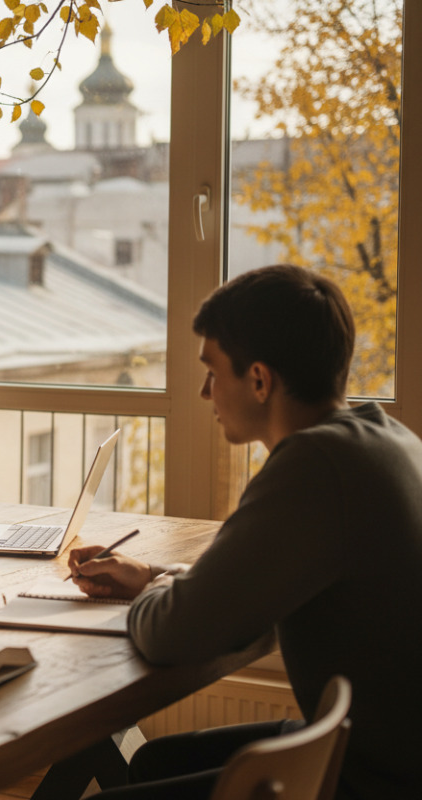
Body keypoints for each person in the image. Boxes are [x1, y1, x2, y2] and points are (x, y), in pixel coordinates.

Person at [67, 265, 422, 799]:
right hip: (378, 748)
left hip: (371, 779)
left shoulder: (313, 466)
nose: (205, 391)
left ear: (258, 380)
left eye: (212, 371)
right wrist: (154, 575)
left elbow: (171, 635)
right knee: (154, 761)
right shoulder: (384, 438)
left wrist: (161, 595)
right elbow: (268, 582)